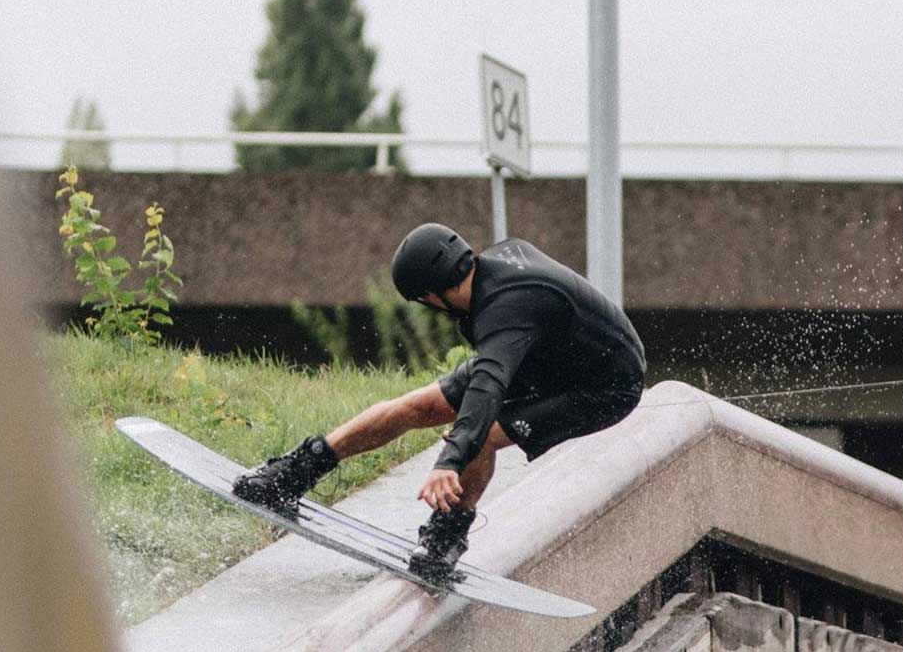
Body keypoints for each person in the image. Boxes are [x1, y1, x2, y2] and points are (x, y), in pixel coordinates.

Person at [233, 223, 647, 583]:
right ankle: (295, 472)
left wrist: (449, 462)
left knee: (484, 435)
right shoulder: (492, 272)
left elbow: (487, 390)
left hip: (604, 386)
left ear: (432, 295)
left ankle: (446, 536)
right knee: (419, 406)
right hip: (542, 357)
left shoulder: (504, 312)